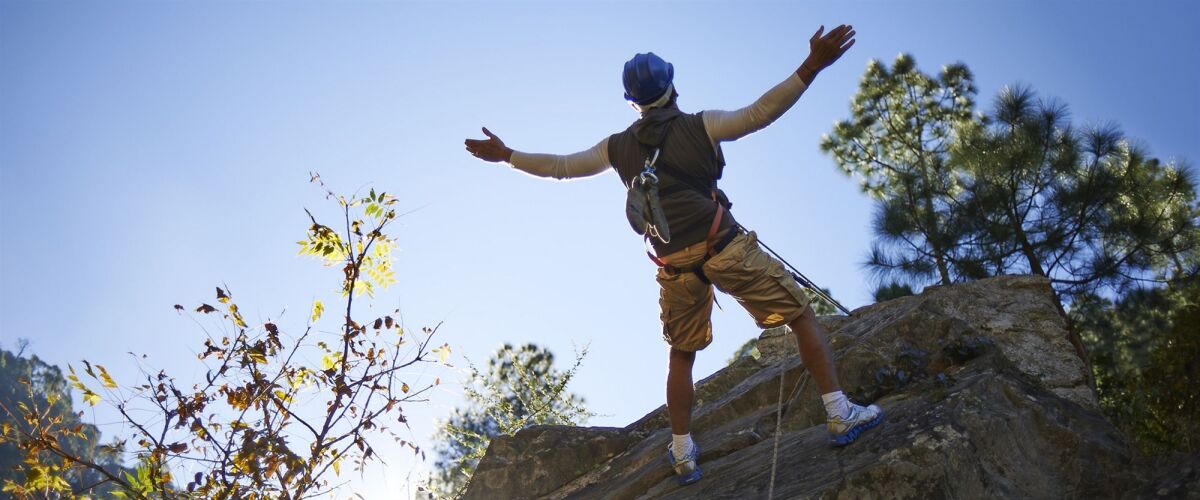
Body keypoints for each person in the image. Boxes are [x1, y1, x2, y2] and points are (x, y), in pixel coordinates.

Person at [464, 24, 881, 487]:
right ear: (673, 87)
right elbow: (760, 113)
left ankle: (682, 452)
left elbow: (561, 167)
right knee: (800, 316)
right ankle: (839, 413)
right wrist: (811, 66)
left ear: (633, 103)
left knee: (681, 354)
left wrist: (508, 155)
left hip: (674, 267)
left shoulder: (616, 147)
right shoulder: (701, 125)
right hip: (723, 246)